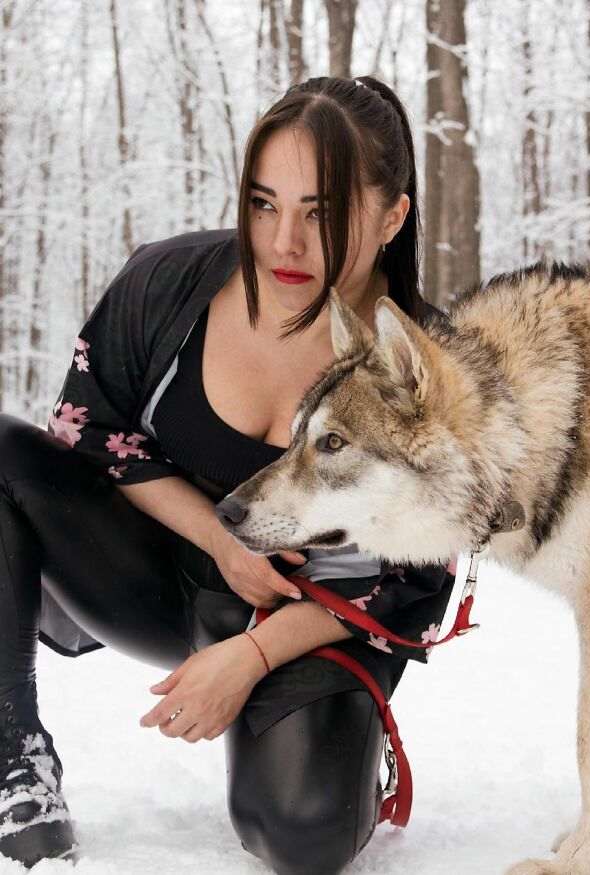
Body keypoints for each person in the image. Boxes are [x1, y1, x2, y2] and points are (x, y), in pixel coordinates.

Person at [0, 75, 455, 874]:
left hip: (316, 624)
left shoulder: (426, 366)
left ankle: (342, 742)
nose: (284, 243)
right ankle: (13, 751)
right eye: (264, 204)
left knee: (305, 835)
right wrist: (221, 539)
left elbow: (408, 584)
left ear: (392, 218)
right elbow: (88, 434)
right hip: (166, 575)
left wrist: (252, 656)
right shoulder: (167, 283)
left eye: (322, 213)